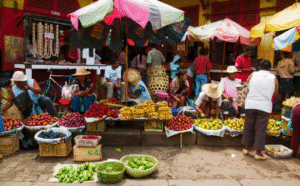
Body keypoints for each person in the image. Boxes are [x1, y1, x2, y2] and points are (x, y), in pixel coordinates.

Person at [242, 59, 279, 160]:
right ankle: (258, 153)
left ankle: (246, 148)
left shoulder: (252, 75)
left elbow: (246, 87)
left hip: (251, 103)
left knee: (248, 125)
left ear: (259, 67)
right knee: (260, 129)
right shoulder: (274, 78)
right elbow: (275, 93)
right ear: (270, 68)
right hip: (264, 106)